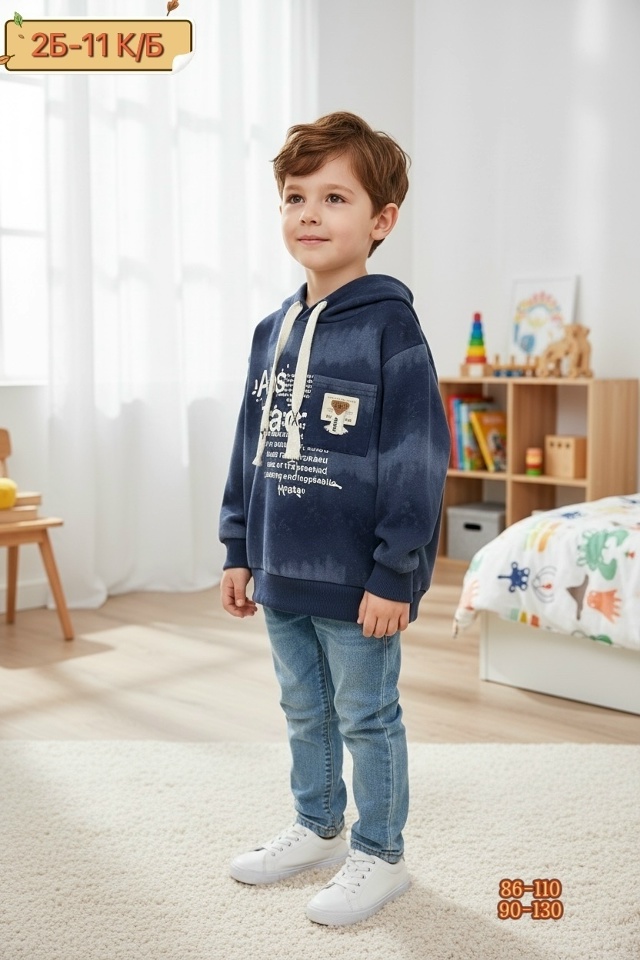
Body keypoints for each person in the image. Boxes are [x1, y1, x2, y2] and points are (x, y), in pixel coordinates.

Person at [219, 111, 450, 926]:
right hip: (280, 567)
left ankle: (381, 855)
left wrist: (395, 571)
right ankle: (318, 826)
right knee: (303, 708)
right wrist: (238, 546)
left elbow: (418, 459)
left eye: (334, 197)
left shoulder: (394, 329)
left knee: (366, 716)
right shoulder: (270, 331)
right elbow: (250, 445)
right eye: (295, 196)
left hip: (362, 582)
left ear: (381, 220)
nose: (309, 213)